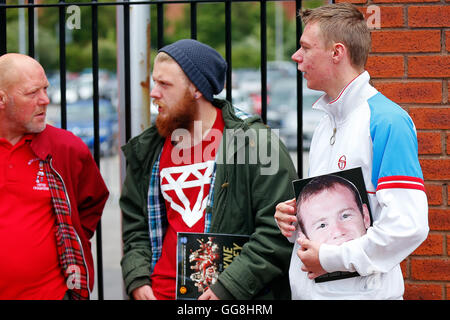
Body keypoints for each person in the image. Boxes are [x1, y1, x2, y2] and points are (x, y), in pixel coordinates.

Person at [120, 39, 297, 300]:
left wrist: (228, 288)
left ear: (196, 88)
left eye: (165, 84)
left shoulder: (255, 143)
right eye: (154, 82)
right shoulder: (149, 148)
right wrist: (137, 278)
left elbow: (278, 231)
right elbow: (136, 227)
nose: (153, 92)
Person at [274, 3, 428, 299]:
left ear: (337, 52)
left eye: (305, 47)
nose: (296, 56)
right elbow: (340, 215)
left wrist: (330, 259)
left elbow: (408, 226)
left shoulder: (386, 121)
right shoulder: (325, 123)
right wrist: (296, 219)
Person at [0, 53, 109, 300]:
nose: (45, 100)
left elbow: (93, 202)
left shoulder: (66, 147)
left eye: (46, 89)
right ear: (1, 99)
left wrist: (69, 238)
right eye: (32, 93)